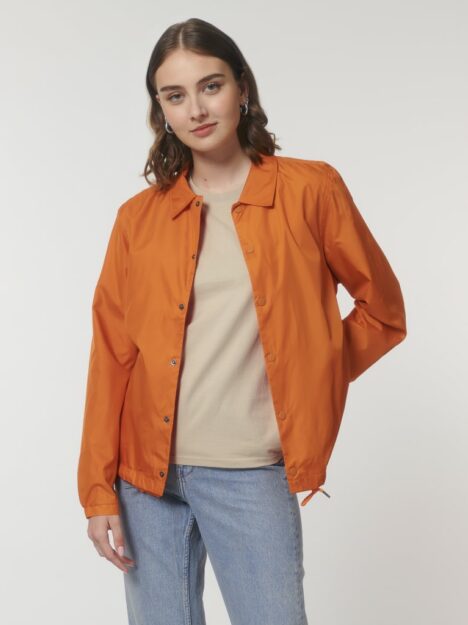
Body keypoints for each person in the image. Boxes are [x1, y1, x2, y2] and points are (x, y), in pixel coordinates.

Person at [77, 17, 407, 625]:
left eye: (211, 86)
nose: (197, 109)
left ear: (242, 88)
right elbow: (113, 357)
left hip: (252, 472)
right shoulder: (138, 219)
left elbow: (383, 312)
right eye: (175, 95)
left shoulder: (310, 190)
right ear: (161, 111)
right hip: (145, 480)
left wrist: (312, 375)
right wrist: (98, 491)